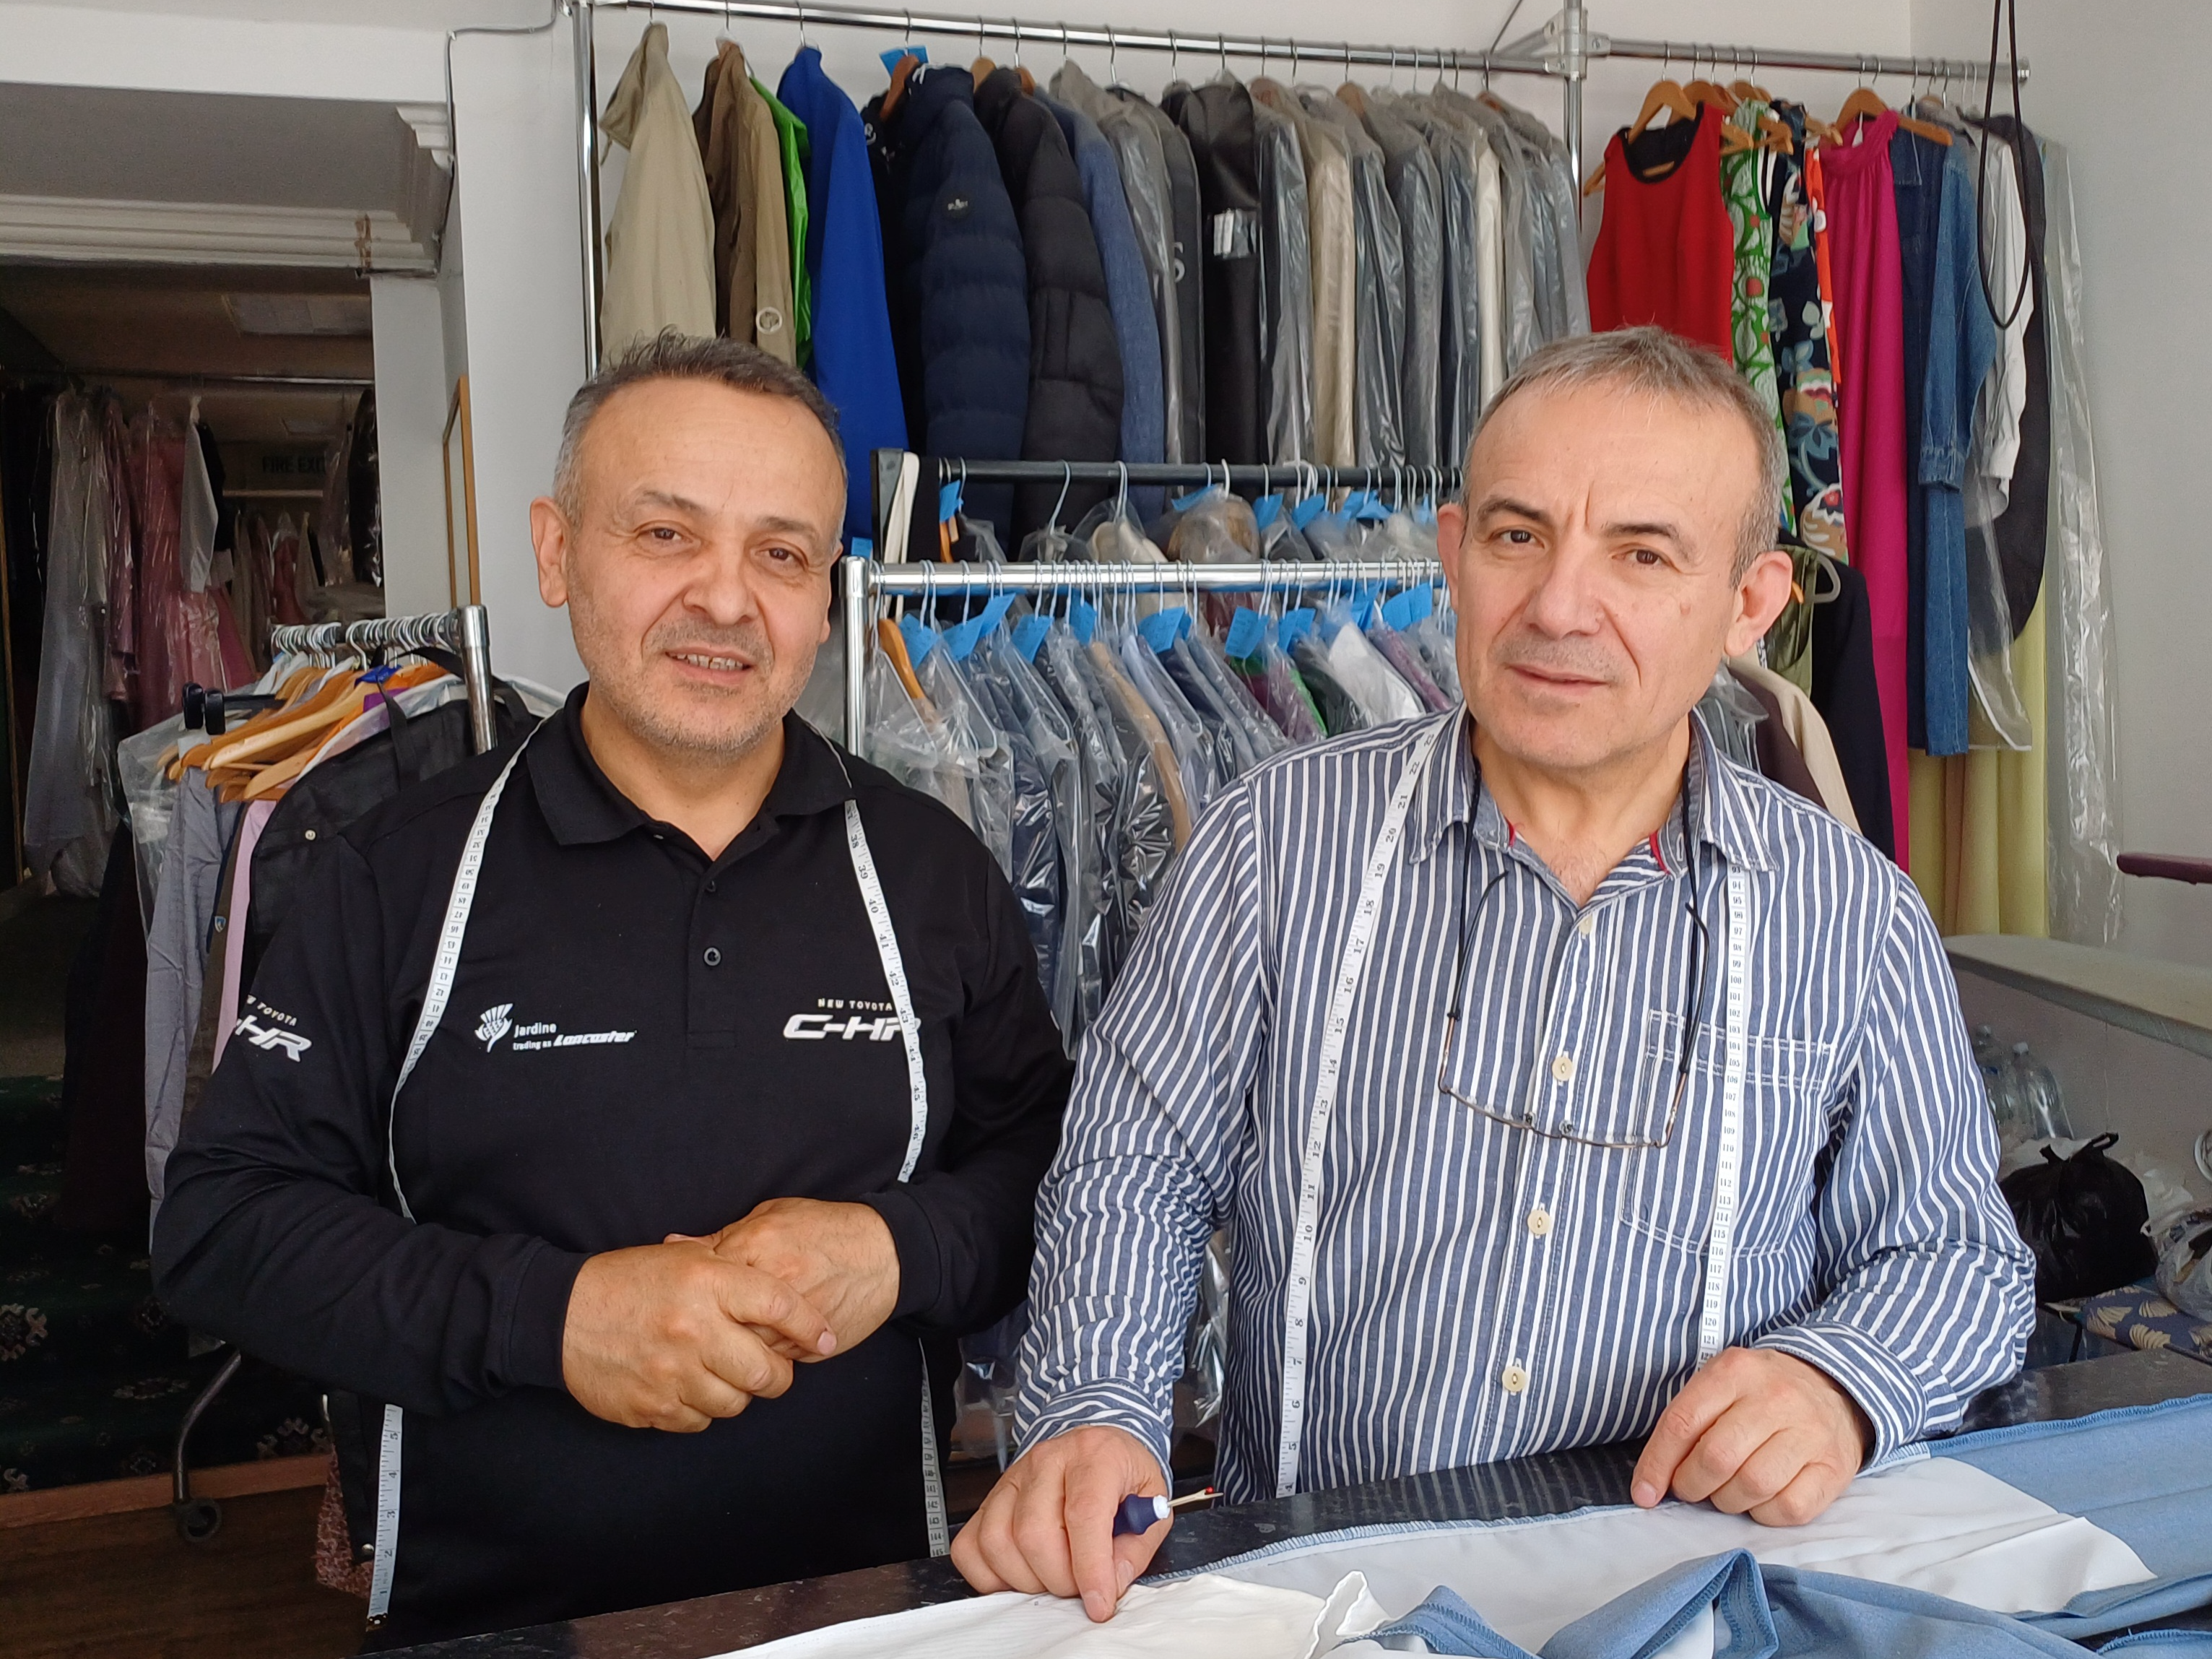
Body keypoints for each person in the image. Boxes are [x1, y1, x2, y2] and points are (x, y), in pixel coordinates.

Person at [954, 327, 2034, 1620]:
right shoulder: (1271, 841)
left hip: (1683, 1595)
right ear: (1455, 550)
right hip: (1318, 1599)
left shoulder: (1848, 910)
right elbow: (1136, 1167)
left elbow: (1959, 1255)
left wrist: (1842, 1382)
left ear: (1749, 605)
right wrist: (1093, 1409)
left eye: (1641, 554)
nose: (1559, 607)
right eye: (1519, 537)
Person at [154, 334, 1072, 1646]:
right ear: (554, 550)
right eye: (664, 534)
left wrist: (896, 1249)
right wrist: (558, 1317)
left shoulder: (931, 872)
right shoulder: (396, 873)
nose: (725, 599)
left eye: (781, 553)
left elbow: (1051, 1172)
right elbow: (223, 1232)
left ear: (826, 599)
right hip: (489, 1625)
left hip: (869, 1616)